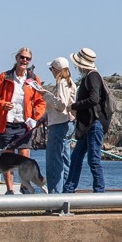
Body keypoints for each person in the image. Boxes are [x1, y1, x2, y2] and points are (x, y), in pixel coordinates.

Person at [63, 47, 112, 193]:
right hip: (88, 124)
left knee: (93, 159)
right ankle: (69, 189)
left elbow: (94, 99)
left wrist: (74, 106)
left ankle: (99, 190)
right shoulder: (90, 76)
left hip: (93, 123)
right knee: (77, 157)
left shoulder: (92, 76)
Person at [0, 47, 46, 161]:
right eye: (22, 57)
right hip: (6, 123)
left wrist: (36, 118)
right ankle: (8, 180)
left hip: (25, 124)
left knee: (24, 158)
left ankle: (24, 180)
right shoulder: (4, 77)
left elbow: (40, 100)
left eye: (27, 59)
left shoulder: (33, 78)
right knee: (7, 159)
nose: (24, 60)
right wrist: (3, 104)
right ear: (16, 58)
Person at [43, 55, 75, 192]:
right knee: (65, 159)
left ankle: (55, 197)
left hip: (59, 124)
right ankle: (67, 193)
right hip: (69, 123)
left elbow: (61, 105)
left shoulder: (61, 83)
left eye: (51, 69)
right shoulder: (70, 82)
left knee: (54, 161)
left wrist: (44, 94)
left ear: (56, 70)